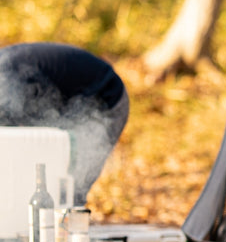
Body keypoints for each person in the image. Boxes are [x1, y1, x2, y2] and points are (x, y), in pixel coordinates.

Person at [0, 42, 129, 205]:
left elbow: (10, 147)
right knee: (44, 185)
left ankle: (68, 226)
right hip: (69, 105)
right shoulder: (5, 76)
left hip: (106, 99)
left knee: (67, 189)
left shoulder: (7, 83)